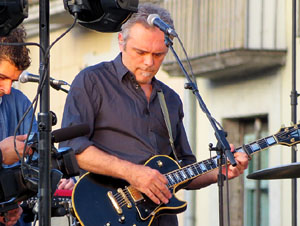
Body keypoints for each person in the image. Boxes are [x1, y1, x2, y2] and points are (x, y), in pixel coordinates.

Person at [60, 3, 249, 226]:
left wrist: (220, 171)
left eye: (158, 54)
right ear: (121, 41)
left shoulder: (170, 99)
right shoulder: (92, 81)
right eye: (140, 52)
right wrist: (133, 173)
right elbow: (73, 149)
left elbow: (183, 169)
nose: (149, 62)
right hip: (109, 213)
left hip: (163, 219)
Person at [0, 27, 74, 226]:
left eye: (13, 81)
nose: (7, 89)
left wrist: (13, 204)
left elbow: (36, 163)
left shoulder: (19, 102)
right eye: (1, 78)